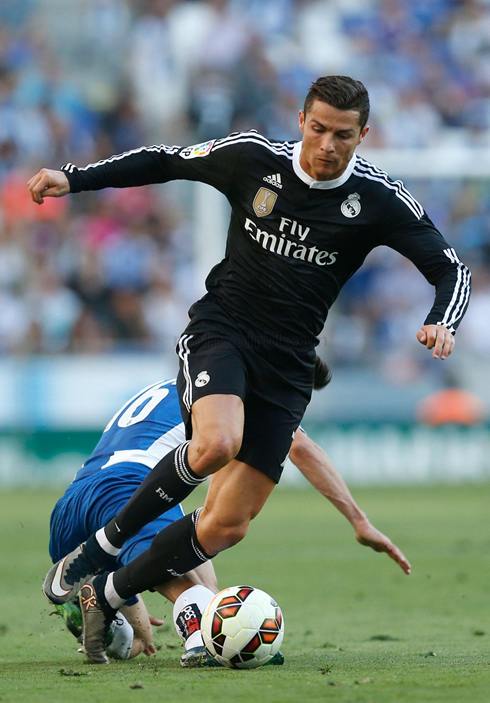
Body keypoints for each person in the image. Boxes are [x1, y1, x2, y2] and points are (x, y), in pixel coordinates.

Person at [29, 75, 468, 663]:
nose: (328, 144)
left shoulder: (380, 201)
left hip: (288, 366)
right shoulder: (252, 159)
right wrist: (76, 178)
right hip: (224, 332)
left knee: (225, 527)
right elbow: (165, 161)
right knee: (216, 443)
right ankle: (96, 553)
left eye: (343, 135)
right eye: (318, 128)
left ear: (364, 135)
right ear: (300, 120)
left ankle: (105, 592)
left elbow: (449, 267)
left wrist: (444, 319)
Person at [47, 366, 409, 665]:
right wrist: (359, 520)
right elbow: (301, 448)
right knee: (191, 581)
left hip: (72, 507)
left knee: (132, 638)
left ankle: (89, 607)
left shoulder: (188, 379)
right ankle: (203, 642)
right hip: (132, 487)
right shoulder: (241, 392)